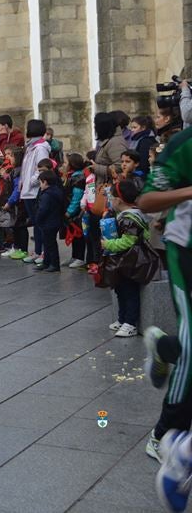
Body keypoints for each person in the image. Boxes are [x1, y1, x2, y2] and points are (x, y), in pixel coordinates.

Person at [138, 125, 192, 466]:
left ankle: (164, 347)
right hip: (186, 251)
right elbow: (146, 200)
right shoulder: (185, 144)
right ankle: (165, 434)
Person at [102, 180, 152, 338]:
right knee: (120, 289)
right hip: (124, 260)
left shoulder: (130, 218)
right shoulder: (124, 215)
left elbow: (128, 241)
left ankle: (130, 323)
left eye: (111, 197)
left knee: (129, 291)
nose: (110, 201)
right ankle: (122, 318)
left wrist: (108, 244)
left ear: (118, 200)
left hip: (131, 261)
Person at [18, 119, 52, 265]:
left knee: (40, 223)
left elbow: (42, 168)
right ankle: (38, 251)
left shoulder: (40, 148)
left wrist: (32, 181)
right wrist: (22, 182)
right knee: (36, 224)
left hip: (34, 191)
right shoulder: (31, 146)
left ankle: (43, 252)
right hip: (27, 191)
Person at [34, 170, 64, 272]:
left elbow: (43, 209)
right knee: (47, 243)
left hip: (48, 222)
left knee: (50, 244)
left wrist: (37, 219)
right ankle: (46, 262)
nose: (40, 185)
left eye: (40, 182)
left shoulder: (47, 195)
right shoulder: (56, 191)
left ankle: (54, 264)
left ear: (45, 182)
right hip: (54, 221)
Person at [62, 153, 87, 269]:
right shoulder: (72, 176)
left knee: (78, 235)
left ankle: (80, 258)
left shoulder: (78, 178)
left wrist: (69, 211)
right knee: (74, 235)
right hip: (71, 211)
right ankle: (75, 256)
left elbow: (77, 197)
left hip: (75, 213)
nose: (64, 165)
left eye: (66, 162)